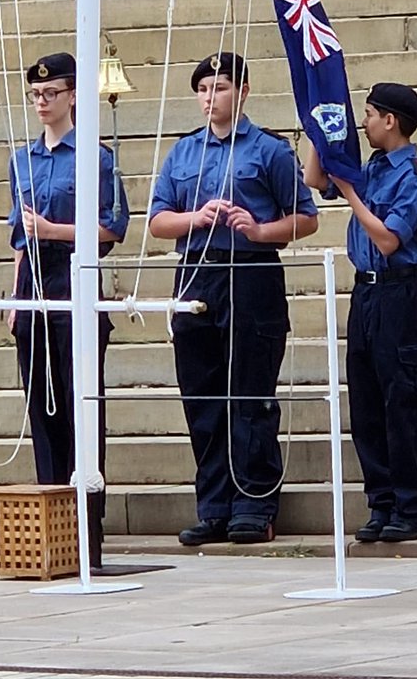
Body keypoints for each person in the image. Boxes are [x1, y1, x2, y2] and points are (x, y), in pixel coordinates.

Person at [149, 51, 318, 546]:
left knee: (250, 394)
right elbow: (158, 221)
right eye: (202, 90)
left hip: (251, 271)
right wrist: (196, 218)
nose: (210, 98)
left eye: (220, 87)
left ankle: (254, 503)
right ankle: (214, 506)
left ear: (242, 92)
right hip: (196, 272)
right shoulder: (183, 152)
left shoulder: (269, 150)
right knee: (201, 394)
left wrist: (260, 229)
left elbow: (305, 218)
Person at [7, 52, 129, 569]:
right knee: (42, 407)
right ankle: (52, 532)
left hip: (74, 276)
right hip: (35, 279)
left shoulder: (95, 157)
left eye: (51, 93)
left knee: (81, 406)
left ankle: (88, 532)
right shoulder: (22, 160)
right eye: (36, 95)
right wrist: (15, 295)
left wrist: (54, 230)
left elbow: (110, 228)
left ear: (73, 95)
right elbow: (19, 236)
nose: (42, 102)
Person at [304, 82, 417, 544]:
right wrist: (319, 132)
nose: (363, 123)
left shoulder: (412, 175)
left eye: (369, 114)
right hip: (367, 293)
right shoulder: (374, 167)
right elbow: (314, 179)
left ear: (390, 121)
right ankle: (381, 502)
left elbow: (388, 239)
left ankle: (411, 506)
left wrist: (351, 194)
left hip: (401, 294)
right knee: (366, 402)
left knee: (404, 401)